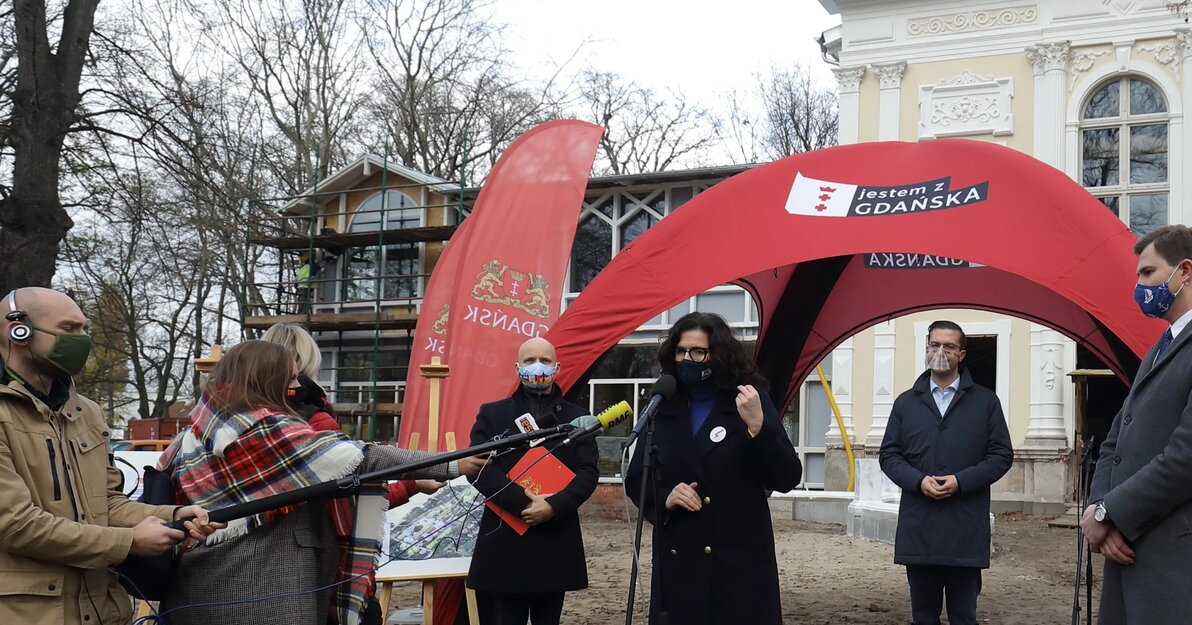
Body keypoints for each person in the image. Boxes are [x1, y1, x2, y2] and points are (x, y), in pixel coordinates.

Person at [159, 340, 485, 625]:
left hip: (194, 587)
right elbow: (359, 457)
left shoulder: (191, 436)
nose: (296, 386)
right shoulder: (267, 433)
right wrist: (451, 463)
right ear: (266, 381)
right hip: (262, 589)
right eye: (288, 379)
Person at [0, 287, 218, 625]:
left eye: (85, 328)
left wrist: (173, 514)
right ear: (18, 331)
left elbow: (106, 503)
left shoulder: (85, 411)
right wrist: (129, 542)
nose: (83, 340)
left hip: (101, 610)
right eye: (70, 329)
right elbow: (15, 524)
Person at [262, 322, 455, 625]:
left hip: (260, 569)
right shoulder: (315, 422)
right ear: (299, 365)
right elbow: (351, 494)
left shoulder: (244, 418)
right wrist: (418, 480)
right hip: (315, 564)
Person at [625, 312, 802, 625]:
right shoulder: (664, 405)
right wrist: (665, 498)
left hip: (738, 563)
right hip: (680, 564)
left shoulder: (748, 400)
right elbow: (637, 477)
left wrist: (760, 428)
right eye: (680, 352)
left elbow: (787, 475)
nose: (687, 359)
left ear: (718, 355)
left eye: (698, 352)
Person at [1080, 224, 1192, 624]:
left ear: (1185, 272)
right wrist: (1099, 508)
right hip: (1128, 549)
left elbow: (1184, 459)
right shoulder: (1160, 347)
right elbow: (1115, 439)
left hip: (1171, 561)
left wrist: (1110, 512)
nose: (1140, 286)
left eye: (1148, 273)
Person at [879, 320, 1013, 625]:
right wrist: (917, 480)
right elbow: (889, 455)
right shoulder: (906, 403)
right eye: (935, 344)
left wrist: (961, 481)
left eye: (949, 346)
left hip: (965, 530)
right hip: (919, 528)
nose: (941, 351)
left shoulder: (985, 402)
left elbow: (1002, 455)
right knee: (923, 616)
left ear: (962, 354)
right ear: (926, 348)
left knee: (964, 617)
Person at [466, 337, 600, 625]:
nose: (537, 366)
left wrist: (553, 506)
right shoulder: (492, 413)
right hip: (506, 533)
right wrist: (522, 502)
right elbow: (478, 468)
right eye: (529, 361)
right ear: (518, 367)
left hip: (555, 534)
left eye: (545, 360)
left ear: (557, 367)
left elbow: (588, 472)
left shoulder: (579, 418)